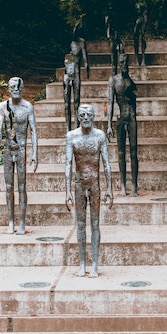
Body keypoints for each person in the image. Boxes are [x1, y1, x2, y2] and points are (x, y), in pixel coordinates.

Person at [65, 104, 113, 278]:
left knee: (95, 224)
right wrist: (67, 191)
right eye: (82, 114)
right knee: (80, 225)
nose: (86, 117)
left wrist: (110, 189)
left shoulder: (100, 136)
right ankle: (82, 264)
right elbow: (68, 164)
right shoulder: (71, 136)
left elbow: (106, 163)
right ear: (78, 117)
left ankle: (94, 264)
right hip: (79, 184)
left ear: (93, 117)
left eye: (89, 114)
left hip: (94, 183)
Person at [0, 77, 38, 235]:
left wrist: (35, 153)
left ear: (22, 88)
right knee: (9, 187)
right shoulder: (3, 106)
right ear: (8, 89)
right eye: (12, 87)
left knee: (22, 187)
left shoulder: (27, 107)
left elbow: (33, 131)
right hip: (8, 149)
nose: (15, 90)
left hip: (22, 149)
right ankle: (11, 221)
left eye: (18, 87)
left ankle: (22, 222)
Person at [107, 53, 138, 196]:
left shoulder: (131, 82)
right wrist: (108, 124)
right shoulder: (113, 80)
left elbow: (134, 104)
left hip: (131, 117)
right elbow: (110, 103)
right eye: (122, 62)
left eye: (126, 62)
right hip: (120, 118)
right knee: (121, 153)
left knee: (133, 152)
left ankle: (134, 186)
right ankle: (123, 186)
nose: (124, 64)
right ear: (119, 63)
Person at [63, 22, 90, 131]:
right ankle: (68, 128)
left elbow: (85, 60)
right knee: (67, 103)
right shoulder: (69, 42)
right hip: (67, 73)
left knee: (77, 101)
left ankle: (77, 126)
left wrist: (87, 66)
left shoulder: (81, 43)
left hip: (76, 73)